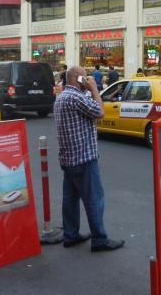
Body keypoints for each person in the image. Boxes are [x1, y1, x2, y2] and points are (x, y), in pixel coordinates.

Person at [53, 66, 125, 252]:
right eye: (85, 77)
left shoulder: (61, 97)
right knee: (94, 199)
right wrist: (94, 89)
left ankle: (70, 234)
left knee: (70, 200)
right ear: (77, 78)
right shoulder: (76, 97)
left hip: (68, 158)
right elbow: (100, 112)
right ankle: (99, 239)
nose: (88, 79)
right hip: (84, 158)